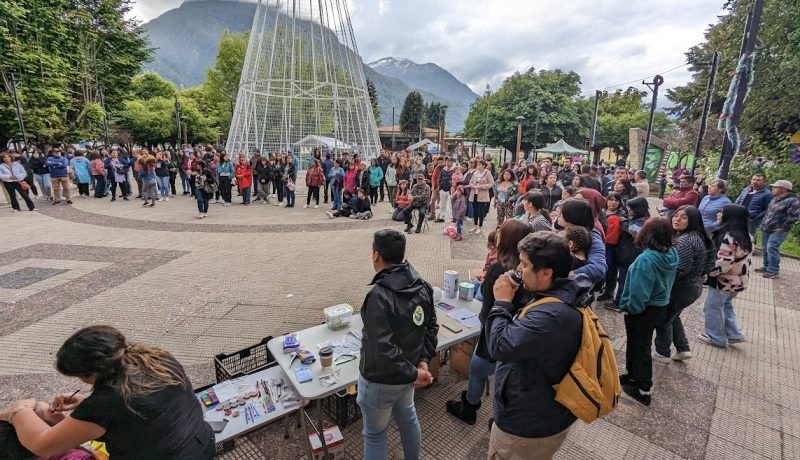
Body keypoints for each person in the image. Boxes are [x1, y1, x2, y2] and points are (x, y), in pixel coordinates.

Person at [0, 325, 214, 458]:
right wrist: (83, 402)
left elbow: (42, 445)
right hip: (201, 444)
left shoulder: (106, 403)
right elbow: (146, 407)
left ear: (90, 373)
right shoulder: (157, 358)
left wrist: (20, 410)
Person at [485, 231, 582, 459]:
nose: (518, 269)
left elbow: (499, 347)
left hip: (527, 426)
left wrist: (501, 303)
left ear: (547, 272)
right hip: (542, 411)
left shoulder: (553, 316)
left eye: (525, 264)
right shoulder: (562, 294)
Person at [357, 230, 437, 460]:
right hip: (409, 374)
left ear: (375, 255)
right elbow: (430, 327)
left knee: (375, 434)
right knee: (408, 417)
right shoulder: (422, 285)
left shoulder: (379, 295)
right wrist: (421, 364)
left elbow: (383, 348)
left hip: (381, 379)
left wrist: (414, 372)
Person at [446, 220, 533, 425]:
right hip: (518, 333)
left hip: (494, 328)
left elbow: (488, 305)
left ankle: (469, 408)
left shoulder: (499, 269)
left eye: (501, 232)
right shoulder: (529, 269)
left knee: (477, 370)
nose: (497, 234)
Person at [617, 217, 678, 406]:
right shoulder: (671, 253)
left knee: (641, 346)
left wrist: (631, 309)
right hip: (659, 306)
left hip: (643, 309)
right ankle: (632, 375)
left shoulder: (646, 260)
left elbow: (639, 292)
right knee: (636, 343)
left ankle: (643, 389)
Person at [653, 206, 715, 363]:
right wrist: (703, 272)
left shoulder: (686, 241)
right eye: (675, 215)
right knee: (673, 316)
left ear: (693, 220)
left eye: (683, 217)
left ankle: (662, 353)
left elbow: (680, 268)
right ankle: (683, 348)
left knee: (664, 318)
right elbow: (710, 258)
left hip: (681, 288)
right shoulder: (699, 236)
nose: (677, 219)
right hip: (692, 286)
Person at [700, 204, 752, 347]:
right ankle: (734, 333)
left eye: (721, 212)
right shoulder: (746, 236)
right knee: (726, 306)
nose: (718, 214)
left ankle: (716, 337)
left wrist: (707, 272)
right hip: (739, 280)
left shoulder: (728, 238)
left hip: (724, 281)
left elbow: (723, 263)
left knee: (712, 307)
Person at [605, 197, 650, 310]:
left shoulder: (643, 221)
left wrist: (624, 221)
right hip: (626, 252)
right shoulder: (635, 218)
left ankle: (620, 302)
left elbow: (635, 230)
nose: (629, 211)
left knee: (624, 279)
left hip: (631, 254)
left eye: (631, 209)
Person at [557, 198, 608, 285]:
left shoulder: (592, 238)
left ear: (572, 216)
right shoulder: (564, 231)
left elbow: (598, 268)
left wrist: (568, 275)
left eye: (561, 213)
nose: (557, 215)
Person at [759, 180, 799, 278]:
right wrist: (763, 223)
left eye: (776, 187)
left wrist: (783, 227)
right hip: (767, 227)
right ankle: (766, 266)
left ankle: (773, 270)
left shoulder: (793, 201)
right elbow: (769, 213)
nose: (773, 189)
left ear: (783, 189)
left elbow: (793, 216)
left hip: (778, 229)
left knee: (771, 247)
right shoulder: (775, 198)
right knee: (765, 248)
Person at [598, 192, 627, 302]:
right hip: (601, 243)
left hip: (614, 247)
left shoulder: (622, 215)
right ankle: (600, 286)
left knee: (611, 269)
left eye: (616, 200)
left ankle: (608, 291)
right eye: (611, 200)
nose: (613, 202)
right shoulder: (601, 212)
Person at [467, 160, 493, 235]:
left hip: (482, 194)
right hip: (474, 193)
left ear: (483, 166)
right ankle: (475, 225)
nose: (478, 166)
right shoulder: (475, 172)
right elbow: (471, 181)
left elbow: (491, 183)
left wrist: (481, 186)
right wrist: (472, 185)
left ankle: (480, 226)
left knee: (480, 211)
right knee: (475, 210)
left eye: (479, 164)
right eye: (477, 164)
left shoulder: (487, 173)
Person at [436, 157, 456, 222]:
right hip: (442, 188)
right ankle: (442, 217)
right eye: (447, 161)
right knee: (442, 204)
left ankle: (452, 217)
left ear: (452, 162)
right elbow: (439, 178)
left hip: (450, 190)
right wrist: (439, 186)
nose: (448, 163)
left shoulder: (454, 170)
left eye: (450, 161)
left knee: (450, 205)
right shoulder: (443, 170)